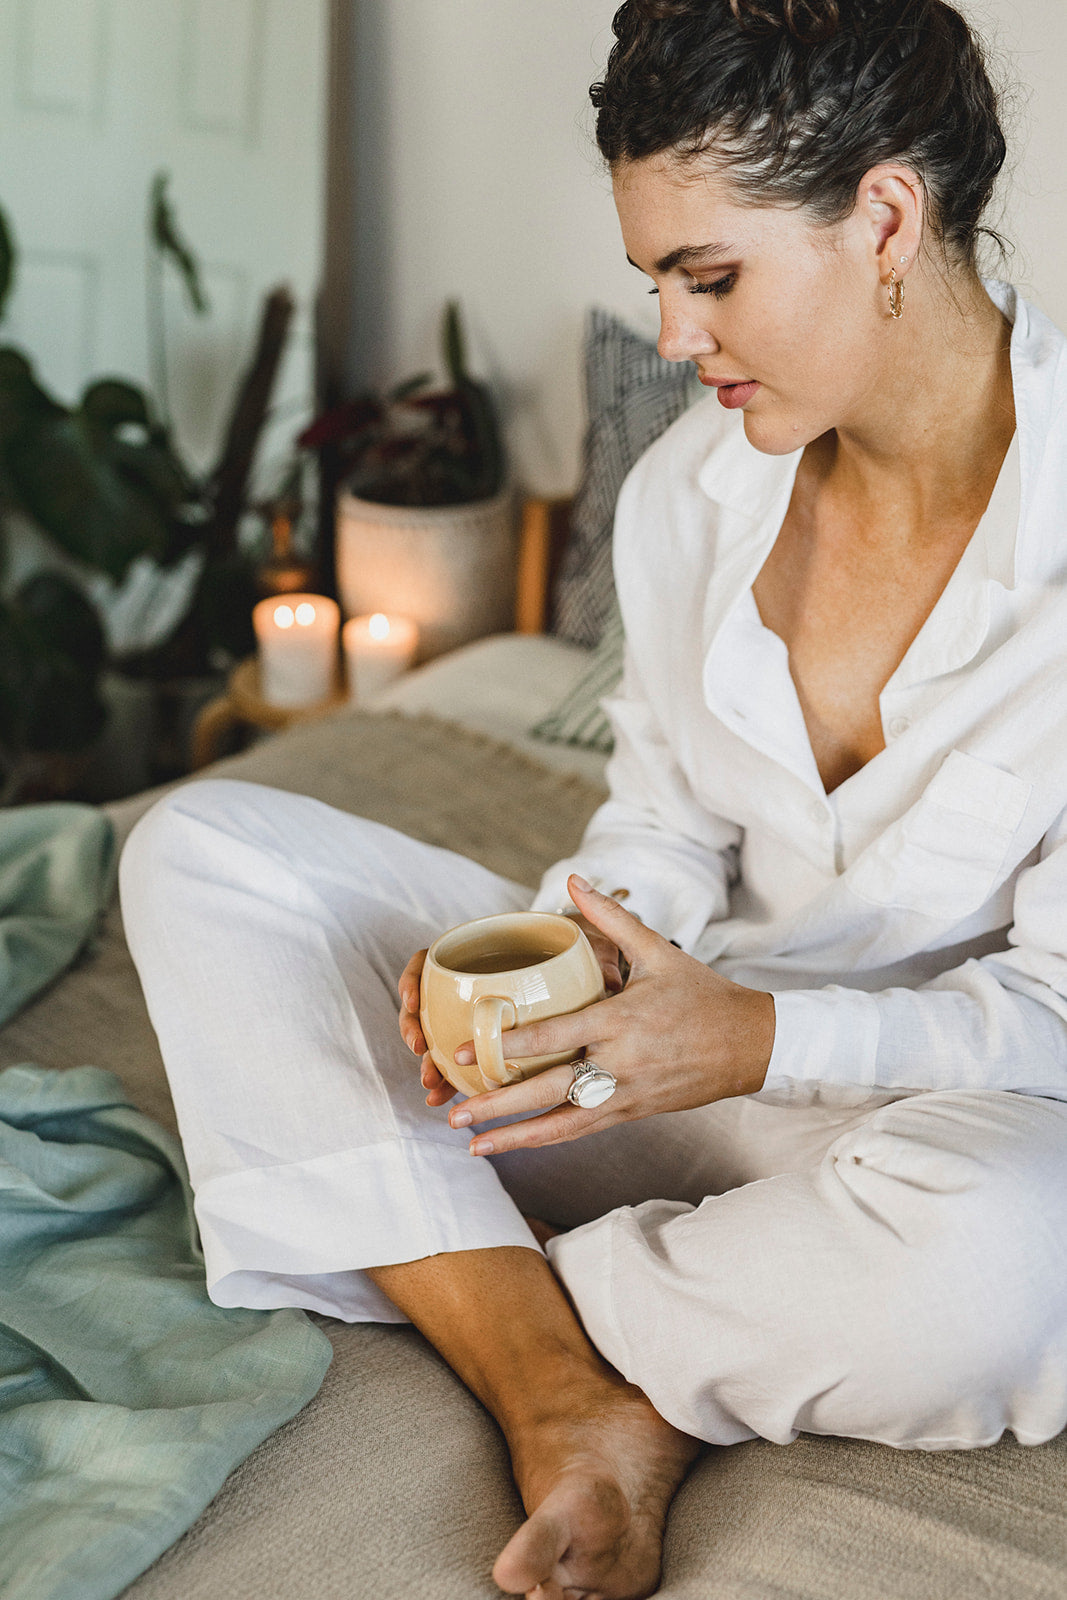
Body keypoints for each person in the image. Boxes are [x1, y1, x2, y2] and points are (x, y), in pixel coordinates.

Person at [120, 1, 1067, 1596]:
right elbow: (663, 819)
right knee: (205, 847)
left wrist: (756, 1039)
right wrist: (566, 966)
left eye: (712, 278)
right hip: (658, 1075)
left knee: (1016, 1260)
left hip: (924, 1127)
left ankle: (480, 1289)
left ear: (886, 217)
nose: (677, 338)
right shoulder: (695, 492)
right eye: (655, 285)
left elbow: (1058, 1017)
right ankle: (574, 1392)